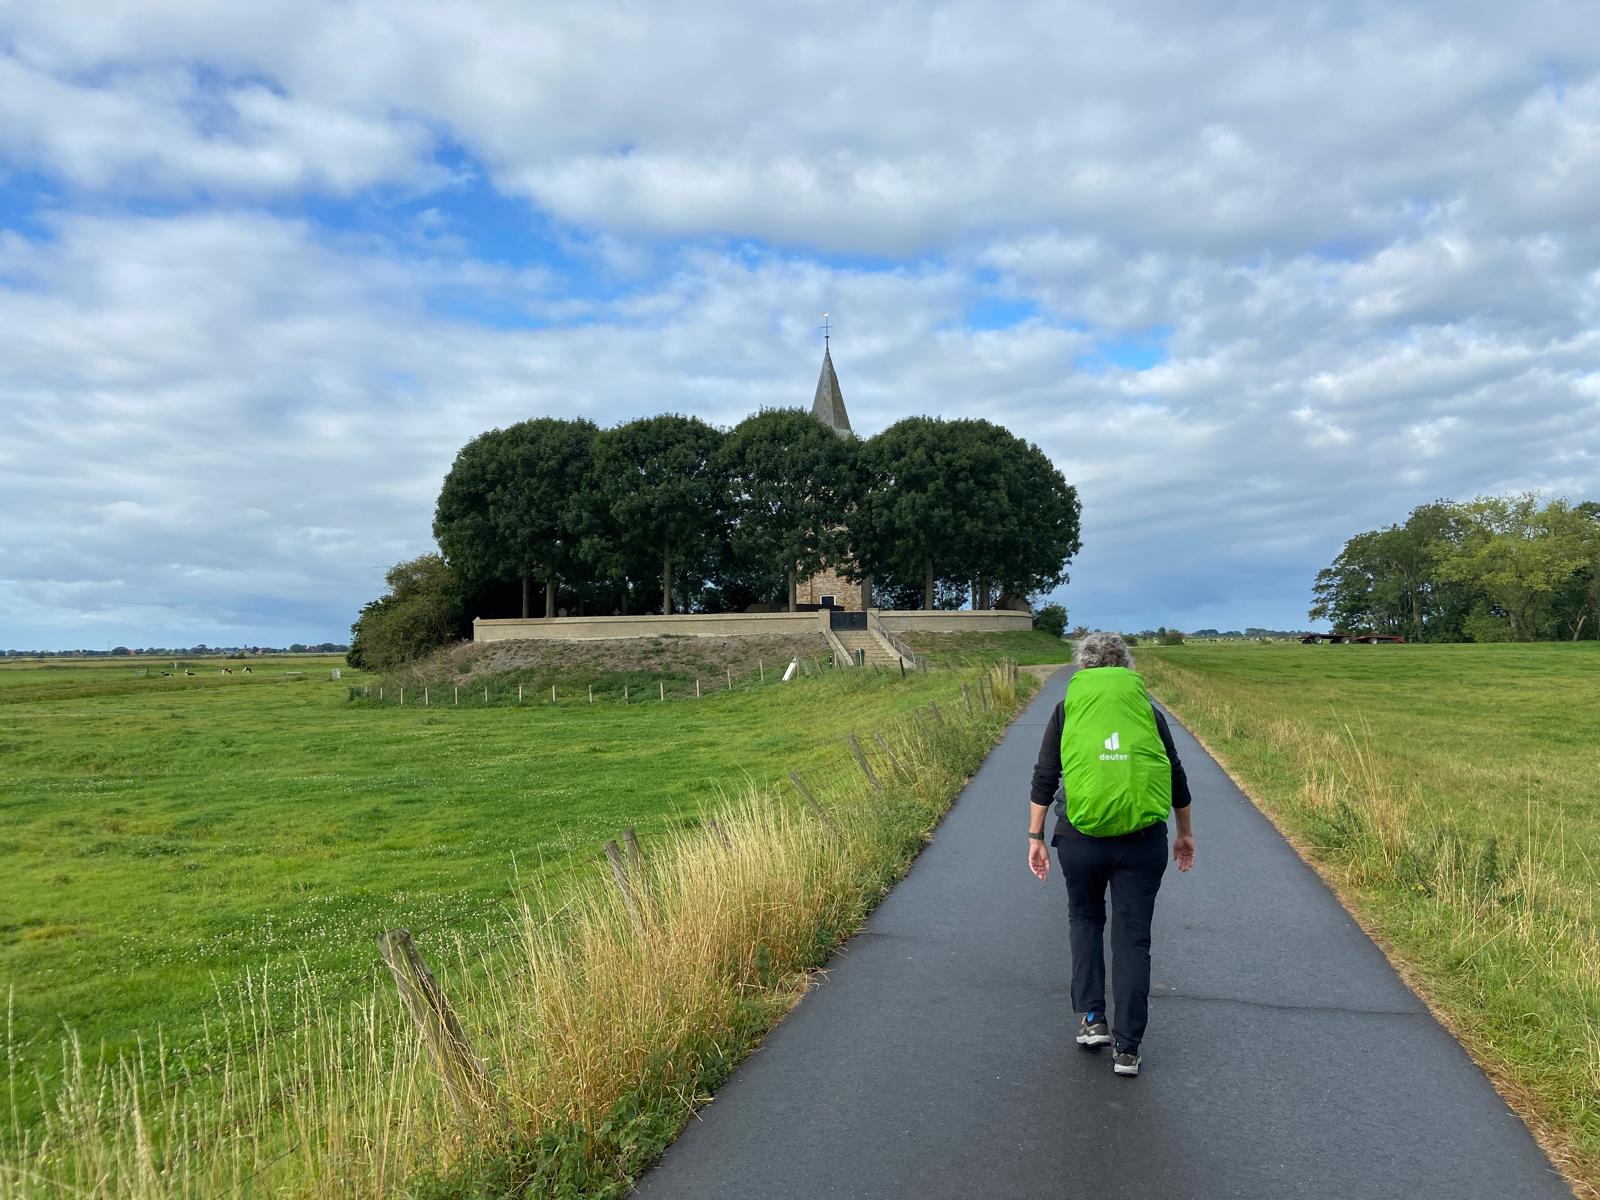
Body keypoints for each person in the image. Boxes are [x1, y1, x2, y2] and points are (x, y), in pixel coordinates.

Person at [1026, 631, 1195, 1077]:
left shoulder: (1068, 708)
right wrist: (1184, 832)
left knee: (1085, 920)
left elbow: (1045, 775)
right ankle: (1128, 1047)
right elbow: (1174, 773)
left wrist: (1035, 835)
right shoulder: (1147, 710)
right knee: (1132, 937)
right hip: (1142, 839)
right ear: (1126, 666)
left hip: (1079, 837)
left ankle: (1092, 1020)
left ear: (1083, 666)